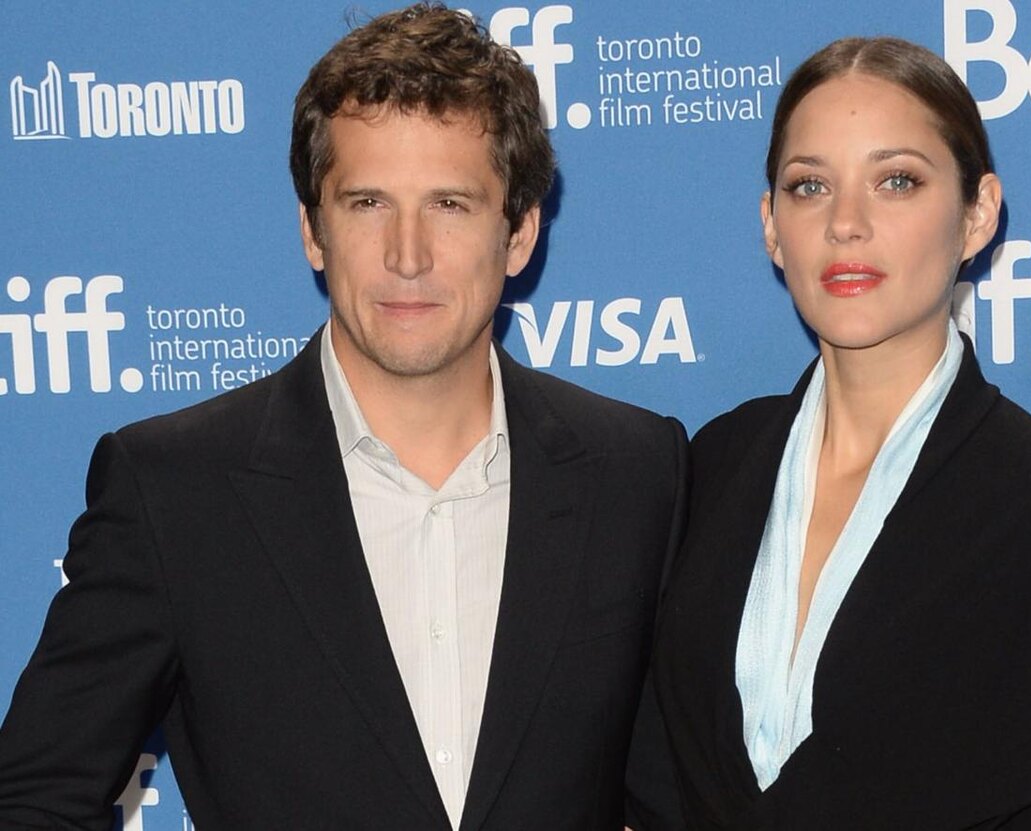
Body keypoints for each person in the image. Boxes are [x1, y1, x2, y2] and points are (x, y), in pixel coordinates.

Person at [0, 4, 686, 829]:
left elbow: (678, 792)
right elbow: (33, 796)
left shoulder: (637, 471)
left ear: (519, 234)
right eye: (367, 203)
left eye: (450, 204)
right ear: (313, 231)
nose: (407, 255)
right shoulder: (175, 491)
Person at [629, 37, 1031, 831]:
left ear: (978, 213)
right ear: (771, 227)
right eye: (809, 186)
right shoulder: (711, 465)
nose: (846, 224)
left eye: (896, 181)